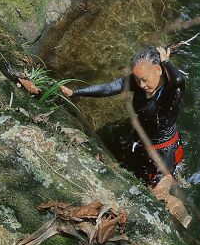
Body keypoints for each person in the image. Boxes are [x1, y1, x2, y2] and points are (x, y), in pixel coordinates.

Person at [69, 45, 186, 187]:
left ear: (158, 69)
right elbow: (109, 88)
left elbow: (178, 79)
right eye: (137, 80)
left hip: (163, 151)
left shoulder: (171, 91)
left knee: (156, 192)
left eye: (144, 79)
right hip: (139, 142)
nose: (141, 85)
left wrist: (165, 61)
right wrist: (74, 92)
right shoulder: (139, 80)